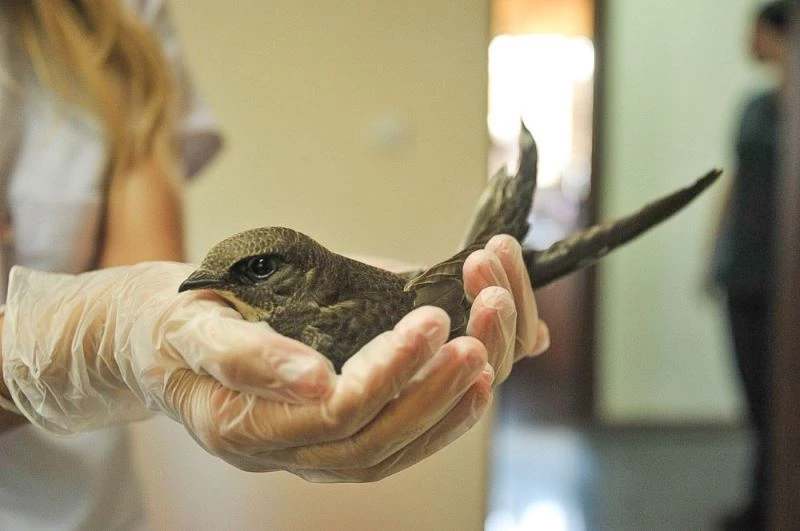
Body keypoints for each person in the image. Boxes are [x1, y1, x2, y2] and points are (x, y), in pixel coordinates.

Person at [0, 1, 549, 529]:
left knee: (490, 276)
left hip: (95, 509)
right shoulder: (297, 321)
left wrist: (125, 333)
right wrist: (82, 338)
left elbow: (142, 271)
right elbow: (137, 308)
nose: (208, 288)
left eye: (254, 271)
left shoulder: (116, 16)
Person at [710, 1, 790, 529]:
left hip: (783, 282)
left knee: (779, 401)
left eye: (753, 31)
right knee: (756, 397)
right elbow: (735, 183)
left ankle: (772, 503)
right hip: (742, 272)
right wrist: (713, 250)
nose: (746, 41)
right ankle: (763, 501)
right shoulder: (755, 107)